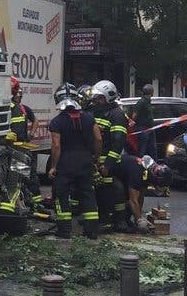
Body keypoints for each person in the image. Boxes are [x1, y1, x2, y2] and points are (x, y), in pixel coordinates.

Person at [47, 84, 102, 240]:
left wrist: (53, 167)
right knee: (87, 194)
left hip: (65, 163)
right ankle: (92, 231)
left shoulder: (57, 122)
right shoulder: (89, 118)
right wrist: (95, 157)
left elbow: (56, 145)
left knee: (61, 195)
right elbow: (98, 138)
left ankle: (64, 231)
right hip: (85, 161)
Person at [90, 80, 130, 232]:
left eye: (99, 98)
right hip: (96, 161)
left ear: (108, 97)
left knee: (111, 190)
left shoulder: (117, 115)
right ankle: (105, 219)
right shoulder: (97, 111)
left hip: (108, 163)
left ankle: (116, 220)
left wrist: (108, 164)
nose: (96, 101)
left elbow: (118, 141)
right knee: (99, 191)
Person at [7, 76, 43, 208]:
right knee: (19, 176)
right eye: (18, 95)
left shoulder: (22, 108)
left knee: (25, 175)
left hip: (21, 147)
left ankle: (34, 201)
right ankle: (23, 202)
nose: (19, 97)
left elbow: (35, 120)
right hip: (15, 148)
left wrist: (31, 134)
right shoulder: (8, 107)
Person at [118, 155, 174, 232]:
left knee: (131, 199)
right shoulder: (138, 172)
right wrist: (139, 221)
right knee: (120, 193)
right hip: (113, 176)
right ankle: (118, 221)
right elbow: (133, 200)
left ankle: (126, 219)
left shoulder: (147, 173)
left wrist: (139, 217)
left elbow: (140, 197)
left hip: (124, 178)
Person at [132, 85, 157, 158]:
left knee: (152, 148)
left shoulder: (148, 101)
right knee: (143, 149)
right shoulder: (141, 102)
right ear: (151, 92)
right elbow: (134, 115)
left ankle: (153, 165)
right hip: (143, 129)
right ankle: (140, 165)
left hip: (149, 128)